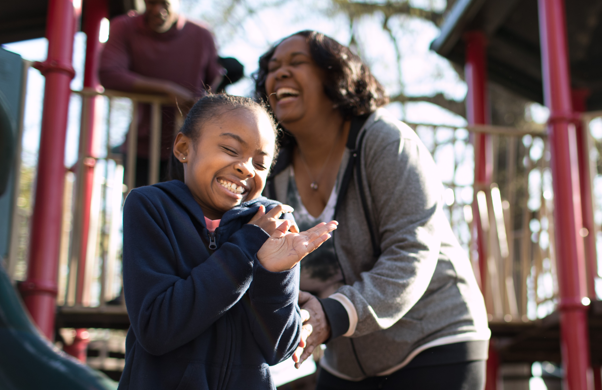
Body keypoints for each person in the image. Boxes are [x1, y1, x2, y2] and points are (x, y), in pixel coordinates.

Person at [255, 31, 491, 389]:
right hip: (346, 360)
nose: (280, 73)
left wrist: (331, 315)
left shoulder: (388, 143)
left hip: (435, 340)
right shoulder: (271, 175)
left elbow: (412, 251)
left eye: (296, 62)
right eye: (273, 68)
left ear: (335, 76)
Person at [118, 94, 338, 390]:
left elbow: (279, 350)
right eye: (230, 149)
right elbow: (156, 328)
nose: (247, 168)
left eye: (260, 164)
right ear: (184, 148)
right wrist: (245, 248)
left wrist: (275, 274)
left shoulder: (274, 224)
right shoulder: (151, 207)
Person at [99, 0, 224, 187]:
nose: (157, 10)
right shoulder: (124, 26)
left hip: (191, 148)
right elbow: (108, 74)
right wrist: (167, 90)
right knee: (141, 209)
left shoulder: (201, 34)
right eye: (150, 3)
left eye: (164, 3)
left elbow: (215, 85)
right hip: (141, 147)